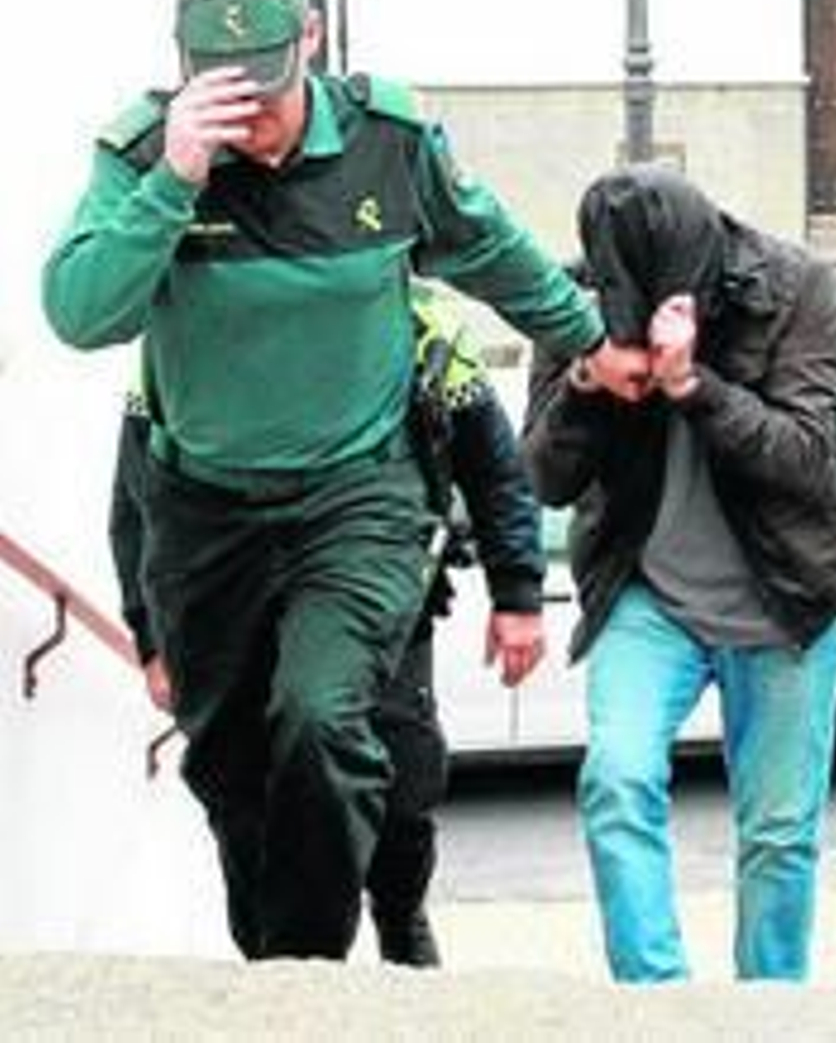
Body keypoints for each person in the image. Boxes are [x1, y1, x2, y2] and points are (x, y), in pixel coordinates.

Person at [42, 0, 635, 961]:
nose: (256, 117)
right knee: (230, 773)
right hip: (204, 513)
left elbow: (490, 245)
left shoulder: (388, 142)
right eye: (226, 89)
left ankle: (306, 981)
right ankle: (280, 967)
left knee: (322, 723)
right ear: (182, 67)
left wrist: (587, 342)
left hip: (351, 499)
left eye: (272, 85)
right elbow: (81, 312)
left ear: (313, 37)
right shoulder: (144, 154)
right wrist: (174, 180)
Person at [108, 292, 545, 966]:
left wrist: (517, 594)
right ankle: (276, 964)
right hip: (233, 598)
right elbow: (137, 499)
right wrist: (151, 637)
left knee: (399, 778)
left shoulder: (428, 327)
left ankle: (399, 915)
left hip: (382, 590)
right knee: (241, 781)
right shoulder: (183, 331)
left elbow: (496, 471)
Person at [520, 165, 836, 983]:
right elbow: (542, 477)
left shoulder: (795, 287)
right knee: (617, 779)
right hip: (650, 591)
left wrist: (691, 385)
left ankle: (767, 1013)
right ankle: (658, 1005)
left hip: (786, 595)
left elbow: (807, 462)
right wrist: (586, 384)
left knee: (779, 836)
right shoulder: (576, 303)